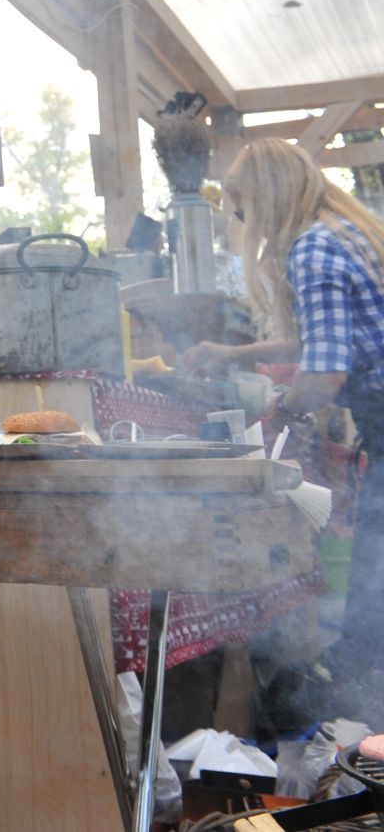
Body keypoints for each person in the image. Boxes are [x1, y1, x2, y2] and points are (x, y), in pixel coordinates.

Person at [191, 139, 384, 706]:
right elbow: (320, 338)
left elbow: (323, 376)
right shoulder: (347, 230)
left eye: (242, 208)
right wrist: (233, 355)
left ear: (265, 199)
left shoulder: (312, 247)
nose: (241, 221)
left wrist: (281, 411)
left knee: (376, 589)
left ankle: (359, 718)